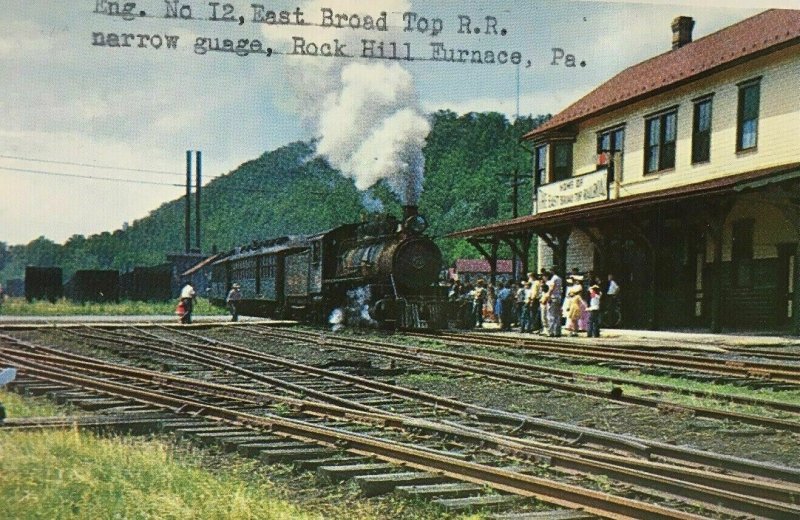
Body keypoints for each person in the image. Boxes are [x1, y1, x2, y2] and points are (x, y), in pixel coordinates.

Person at [546, 268, 563, 337]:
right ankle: (557, 331)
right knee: (557, 315)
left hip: (553, 297)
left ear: (552, 271)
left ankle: (551, 331)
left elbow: (551, 288)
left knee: (551, 315)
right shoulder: (559, 278)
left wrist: (548, 296)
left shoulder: (554, 278)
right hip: (558, 297)